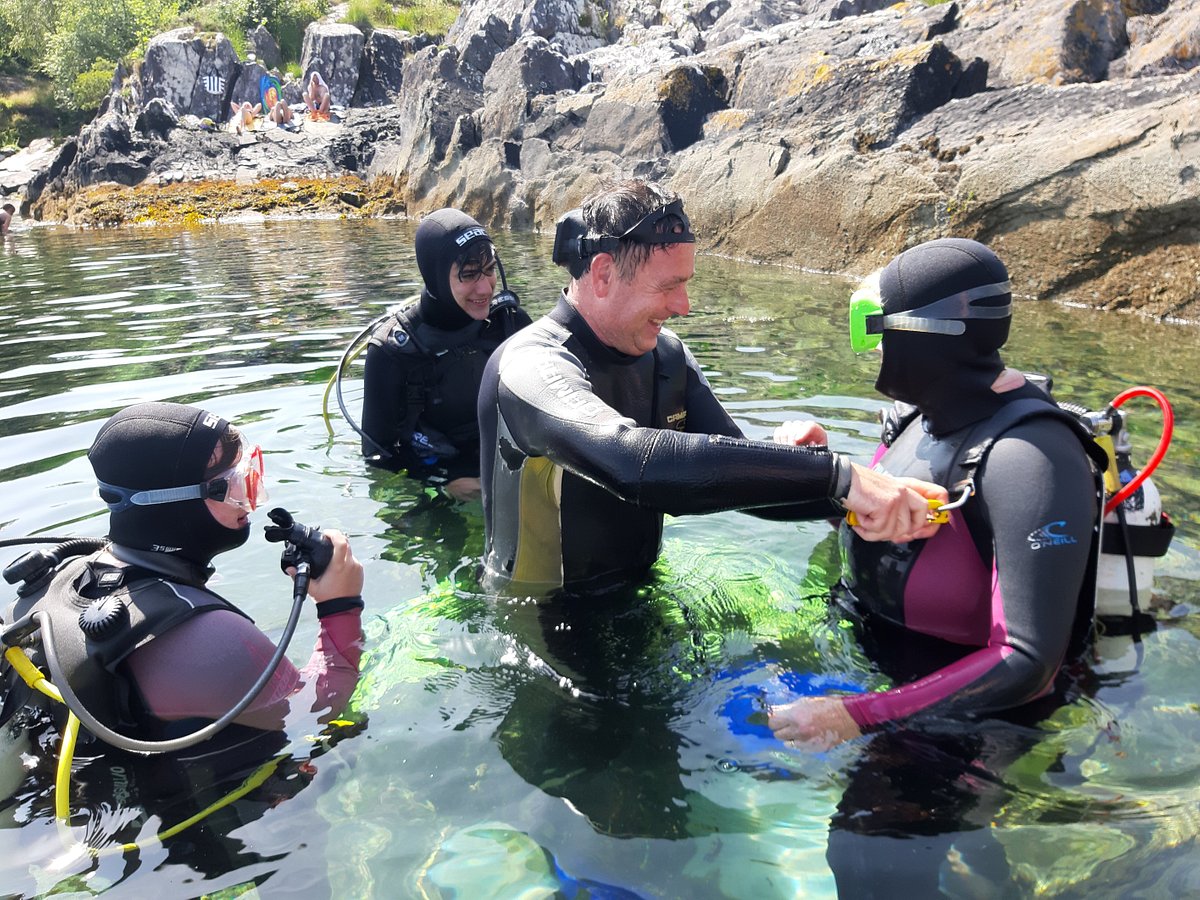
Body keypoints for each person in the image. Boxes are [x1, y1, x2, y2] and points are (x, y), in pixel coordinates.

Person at [476, 179, 945, 598]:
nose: (684, 306)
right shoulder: (530, 367)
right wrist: (842, 477)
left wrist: (838, 494)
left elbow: (737, 483)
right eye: (669, 286)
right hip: (535, 624)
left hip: (643, 594)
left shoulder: (667, 357)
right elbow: (632, 462)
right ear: (602, 274)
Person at [768, 237, 1103, 750]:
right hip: (869, 664)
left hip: (963, 724)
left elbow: (1029, 661)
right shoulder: (919, 419)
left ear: (923, 332)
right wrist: (821, 476)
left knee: (856, 834)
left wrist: (860, 715)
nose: (873, 346)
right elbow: (897, 539)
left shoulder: (1029, 455)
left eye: (874, 326)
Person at [3, 401, 365, 747]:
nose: (251, 496)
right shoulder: (212, 642)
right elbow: (314, 711)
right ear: (175, 504)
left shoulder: (59, 578)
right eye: (233, 484)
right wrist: (340, 605)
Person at [361, 209, 530, 502]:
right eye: (468, 275)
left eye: (489, 270)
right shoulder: (391, 353)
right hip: (438, 477)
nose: (484, 288)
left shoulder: (510, 324)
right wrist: (441, 484)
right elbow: (377, 457)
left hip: (509, 469)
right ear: (436, 276)